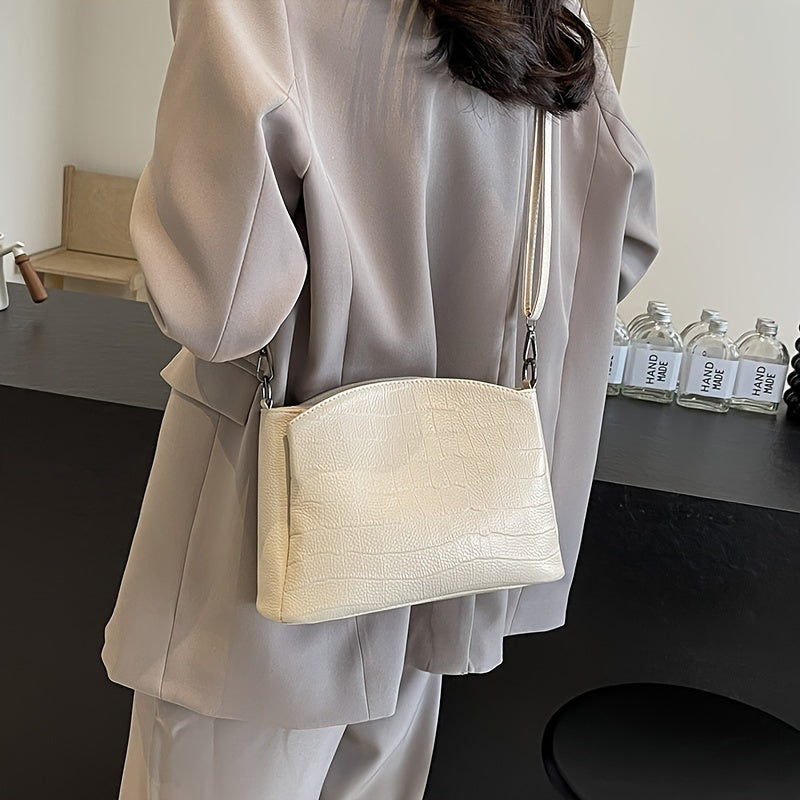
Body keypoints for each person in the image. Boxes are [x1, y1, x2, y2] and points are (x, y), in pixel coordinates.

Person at [102, 0, 659, 797]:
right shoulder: (546, 18)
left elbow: (213, 304)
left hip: (263, 541)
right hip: (435, 546)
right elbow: (619, 242)